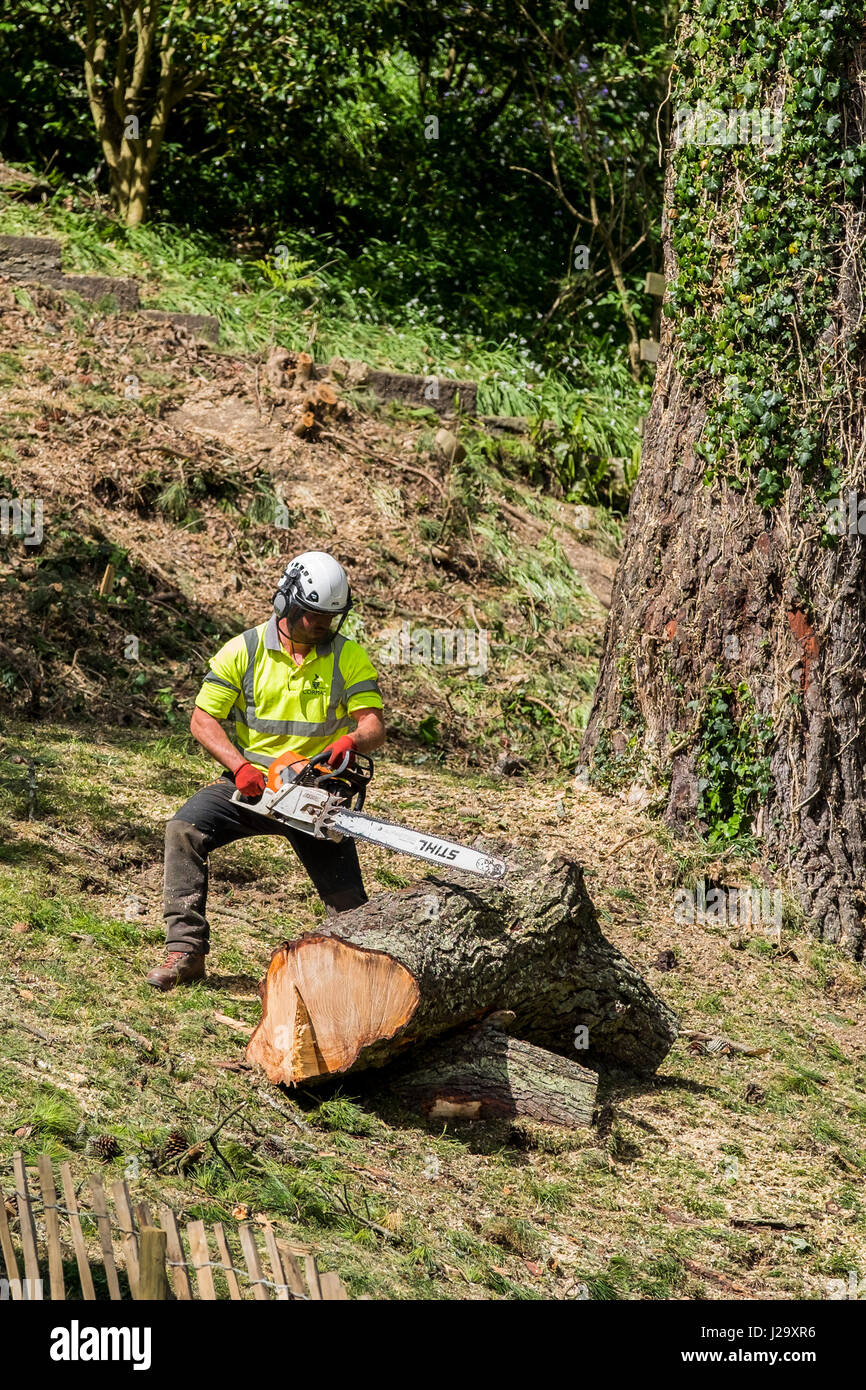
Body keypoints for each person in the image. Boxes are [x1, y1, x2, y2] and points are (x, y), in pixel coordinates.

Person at [145, 551, 386, 991]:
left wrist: (351, 741)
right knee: (184, 829)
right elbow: (202, 719)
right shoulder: (245, 650)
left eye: (328, 618)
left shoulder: (347, 656)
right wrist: (238, 767)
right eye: (312, 616)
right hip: (254, 782)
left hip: (316, 791)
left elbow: (373, 724)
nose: (320, 626)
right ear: (286, 603)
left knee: (349, 903)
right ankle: (186, 949)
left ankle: (364, 970)